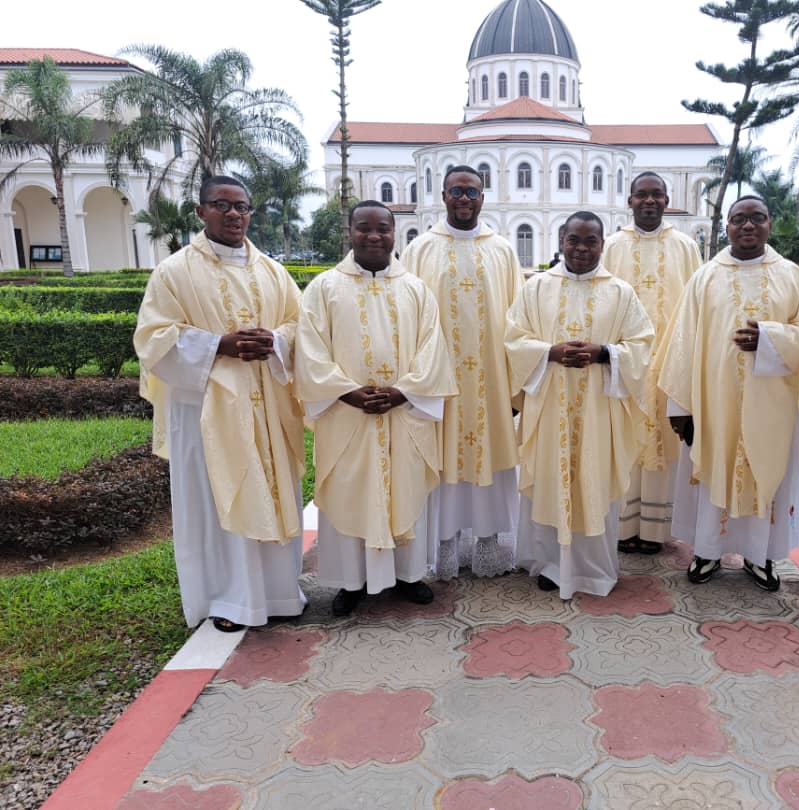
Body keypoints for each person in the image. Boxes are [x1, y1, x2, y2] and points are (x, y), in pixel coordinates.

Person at [134, 176, 306, 633]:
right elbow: (153, 338)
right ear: (200, 211)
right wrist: (218, 346)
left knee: (271, 489)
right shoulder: (173, 272)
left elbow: (298, 323)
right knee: (215, 501)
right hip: (205, 411)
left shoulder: (272, 270)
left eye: (242, 207)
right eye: (222, 205)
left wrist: (276, 340)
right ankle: (227, 600)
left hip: (266, 405)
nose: (234, 215)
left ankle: (279, 593)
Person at [296, 201, 457, 616]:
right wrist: (347, 392)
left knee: (403, 488)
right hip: (347, 416)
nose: (373, 236)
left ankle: (407, 576)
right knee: (353, 490)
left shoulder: (415, 289)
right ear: (348, 231)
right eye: (363, 228)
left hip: (403, 413)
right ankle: (352, 582)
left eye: (383, 229)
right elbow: (310, 352)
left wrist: (404, 392)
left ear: (394, 233)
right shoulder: (325, 288)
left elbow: (432, 350)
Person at [658, 195, 799, 591]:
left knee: (766, 473)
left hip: (772, 403)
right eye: (738, 219)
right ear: (726, 226)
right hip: (715, 404)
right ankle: (708, 550)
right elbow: (682, 342)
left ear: (770, 223)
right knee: (714, 470)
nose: (747, 226)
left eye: (756, 218)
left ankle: (760, 556)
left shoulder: (793, 276)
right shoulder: (706, 276)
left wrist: (771, 338)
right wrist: (680, 407)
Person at [507, 211, 654, 599]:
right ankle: (552, 564)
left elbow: (642, 345)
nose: (582, 249)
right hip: (551, 405)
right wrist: (549, 352)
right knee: (552, 483)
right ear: (561, 241)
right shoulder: (537, 288)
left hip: (598, 410)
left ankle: (592, 568)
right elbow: (513, 339)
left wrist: (605, 352)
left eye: (591, 241)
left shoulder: (621, 292)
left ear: (602, 245)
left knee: (593, 483)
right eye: (574, 240)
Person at [401, 165, 524, 580]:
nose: (465, 200)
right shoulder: (421, 250)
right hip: (439, 380)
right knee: (443, 460)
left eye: (473, 193)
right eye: (457, 191)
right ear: (443, 195)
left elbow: (517, 318)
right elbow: (409, 316)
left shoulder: (502, 250)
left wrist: (514, 388)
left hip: (491, 380)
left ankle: (489, 543)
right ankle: (446, 542)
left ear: (483, 198)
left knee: (491, 459)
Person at [602, 171, 701, 555]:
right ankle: (623, 526)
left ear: (667, 200)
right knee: (624, 439)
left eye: (656, 195)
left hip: (669, 361)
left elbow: (696, 306)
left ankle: (657, 531)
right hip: (623, 361)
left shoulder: (686, 247)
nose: (649, 201)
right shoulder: (612, 246)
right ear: (629, 201)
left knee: (665, 441)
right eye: (641, 195)